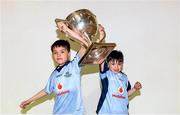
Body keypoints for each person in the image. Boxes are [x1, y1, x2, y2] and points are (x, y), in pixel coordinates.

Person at [19, 21, 106, 114]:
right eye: (55, 52)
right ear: (52, 55)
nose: (58, 55)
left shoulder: (74, 65)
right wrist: (29, 100)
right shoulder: (54, 74)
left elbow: (85, 44)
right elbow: (46, 90)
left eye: (62, 51)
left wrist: (66, 29)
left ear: (68, 54)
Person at [96, 50, 142, 114]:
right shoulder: (106, 74)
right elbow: (101, 62)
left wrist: (135, 88)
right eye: (113, 64)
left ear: (122, 64)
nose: (116, 66)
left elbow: (126, 94)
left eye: (119, 64)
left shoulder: (124, 78)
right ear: (108, 64)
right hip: (107, 112)